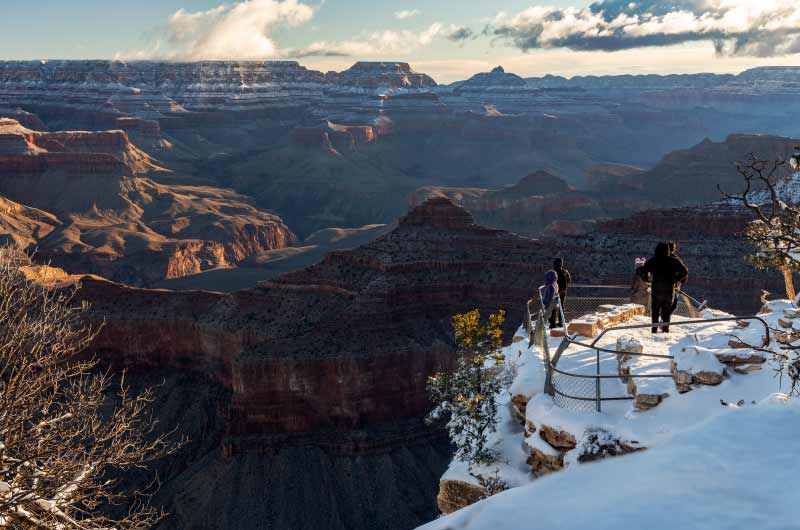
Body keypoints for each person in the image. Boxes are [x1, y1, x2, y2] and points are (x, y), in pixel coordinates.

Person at [638, 242, 689, 333]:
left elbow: (643, 271)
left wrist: (646, 279)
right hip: (669, 289)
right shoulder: (673, 260)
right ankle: (665, 330)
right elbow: (684, 271)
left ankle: (654, 329)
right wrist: (677, 280)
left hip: (656, 289)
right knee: (666, 311)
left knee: (655, 311)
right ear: (668, 250)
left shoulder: (653, 260)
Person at [668, 241, 687, 313]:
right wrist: (679, 281)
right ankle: (664, 320)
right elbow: (684, 271)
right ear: (674, 249)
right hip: (672, 285)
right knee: (673, 304)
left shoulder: (657, 258)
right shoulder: (676, 259)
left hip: (658, 285)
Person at [553, 258, 571, 327]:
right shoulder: (565, 271)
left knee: (553, 307)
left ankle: (553, 323)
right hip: (563, 291)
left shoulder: (554, 272)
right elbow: (569, 280)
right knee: (561, 306)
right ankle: (561, 322)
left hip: (556, 292)